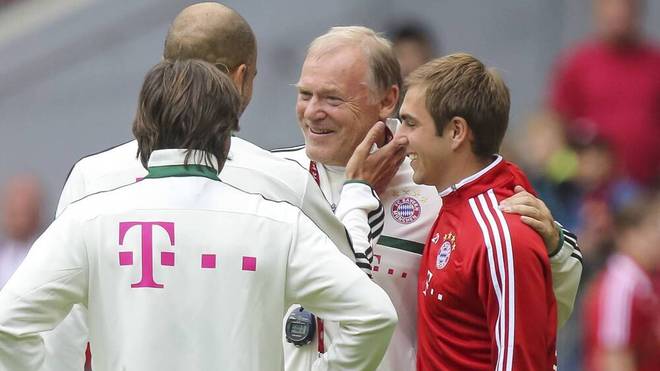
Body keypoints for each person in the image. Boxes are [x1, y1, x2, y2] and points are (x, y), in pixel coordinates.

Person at [0, 59, 397, 371]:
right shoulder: (277, 223)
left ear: (142, 129)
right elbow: (374, 316)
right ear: (227, 137)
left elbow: (8, 325)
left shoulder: (87, 220)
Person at [274, 27, 581, 371]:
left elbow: (533, 308)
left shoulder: (437, 183)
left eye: (332, 98)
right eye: (304, 94)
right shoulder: (269, 180)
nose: (313, 111)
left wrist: (556, 250)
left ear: (388, 100)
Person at [394, 53, 558, 370]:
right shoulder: (457, 203)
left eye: (411, 123)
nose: (401, 137)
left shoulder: (501, 235)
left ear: (456, 132)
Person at [549, 0, 660, 186]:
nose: (618, 13)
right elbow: (557, 126)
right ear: (597, 10)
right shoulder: (578, 64)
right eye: (611, 5)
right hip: (587, 193)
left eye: (626, 6)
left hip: (648, 191)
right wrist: (570, 171)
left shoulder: (655, 64)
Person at [583, 193, 660, 371]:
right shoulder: (621, 285)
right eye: (652, 231)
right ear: (627, 235)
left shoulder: (645, 281)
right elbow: (614, 358)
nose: (657, 240)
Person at [0, 175, 43, 288]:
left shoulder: (46, 254)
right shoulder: (3, 254)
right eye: (13, 212)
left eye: (23, 213)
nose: (17, 220)